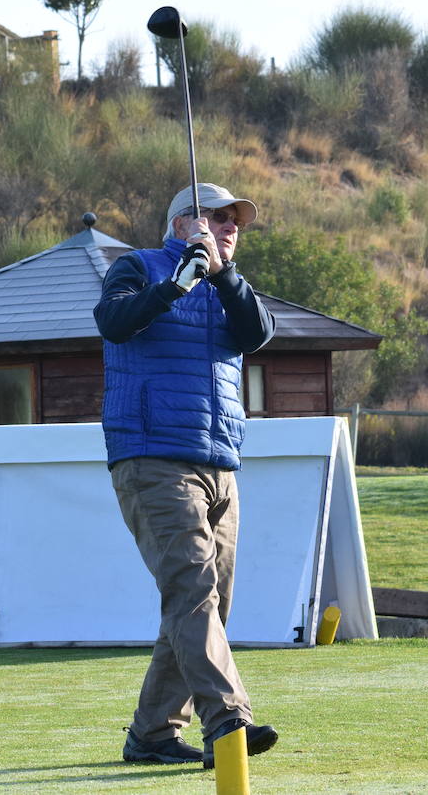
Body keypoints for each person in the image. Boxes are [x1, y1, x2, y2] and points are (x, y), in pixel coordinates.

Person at [94, 182, 280, 770]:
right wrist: (176, 284)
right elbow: (113, 321)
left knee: (208, 604)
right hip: (152, 457)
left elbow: (258, 333)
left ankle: (151, 734)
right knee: (193, 594)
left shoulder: (233, 289)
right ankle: (227, 720)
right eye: (220, 220)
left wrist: (220, 276)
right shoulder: (137, 267)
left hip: (220, 464)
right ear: (183, 224)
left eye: (236, 223)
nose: (232, 230)